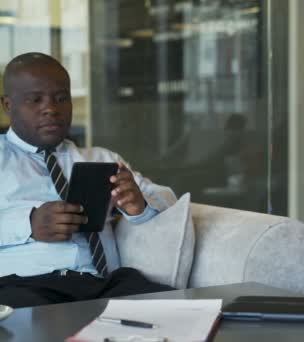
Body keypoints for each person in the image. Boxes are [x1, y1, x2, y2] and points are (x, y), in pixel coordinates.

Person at [0, 52, 177, 308]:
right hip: (21, 285)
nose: (51, 108)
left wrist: (139, 205)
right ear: (7, 105)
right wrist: (28, 223)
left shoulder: (102, 158)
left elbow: (169, 200)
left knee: (175, 308)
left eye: (61, 98)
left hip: (102, 285)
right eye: (35, 99)